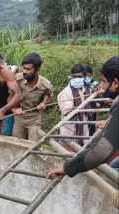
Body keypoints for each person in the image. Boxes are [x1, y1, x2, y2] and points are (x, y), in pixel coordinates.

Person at [46, 56, 119, 209]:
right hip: (71, 131)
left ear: (116, 82)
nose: (104, 87)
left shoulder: (88, 90)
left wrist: (68, 168)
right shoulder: (66, 93)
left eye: (105, 81)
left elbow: (100, 150)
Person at [12, 53, 53, 142]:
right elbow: (10, 96)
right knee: (16, 143)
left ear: (38, 70)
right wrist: (14, 109)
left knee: (33, 145)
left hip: (34, 119)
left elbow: (50, 97)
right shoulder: (18, 79)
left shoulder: (46, 85)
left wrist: (44, 103)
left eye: (28, 69)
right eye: (24, 68)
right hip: (19, 117)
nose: (24, 71)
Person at [57, 64, 93, 146]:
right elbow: (67, 113)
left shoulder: (85, 89)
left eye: (79, 77)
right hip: (70, 133)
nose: (76, 79)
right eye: (74, 77)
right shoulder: (66, 93)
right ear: (71, 77)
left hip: (84, 130)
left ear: (84, 77)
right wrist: (76, 110)